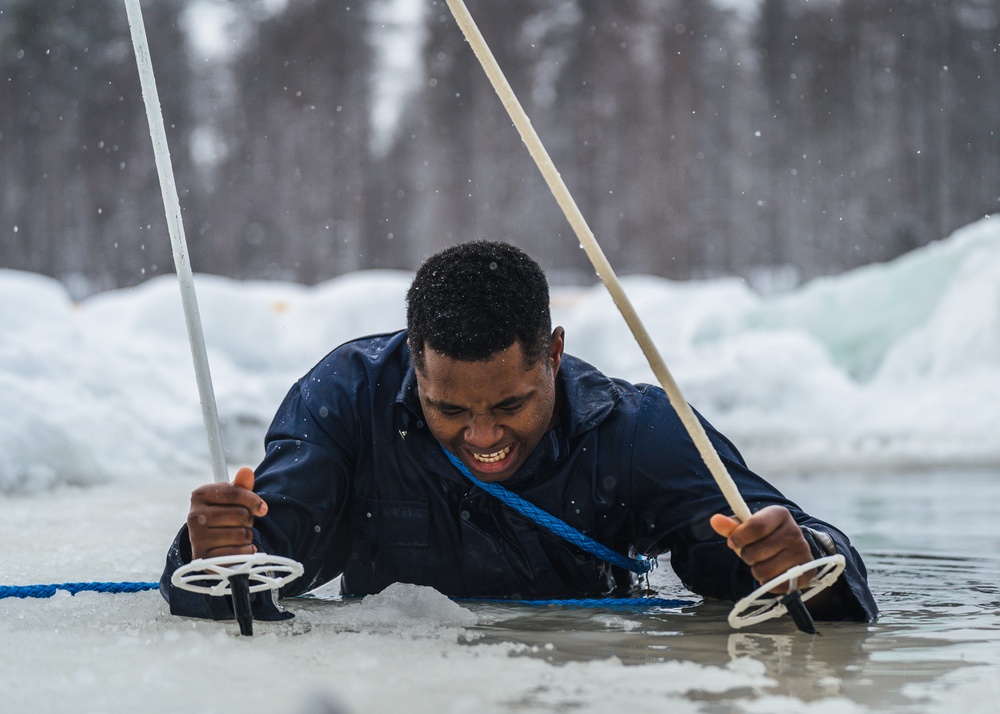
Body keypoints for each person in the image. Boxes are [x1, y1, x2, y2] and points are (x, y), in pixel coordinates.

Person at [161, 240, 878, 623]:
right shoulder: (344, 402)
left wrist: (798, 563)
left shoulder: (636, 430)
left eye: (509, 405)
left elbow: (817, 573)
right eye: (449, 410)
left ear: (555, 355)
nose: (481, 435)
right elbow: (253, 567)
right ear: (415, 359)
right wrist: (213, 551)